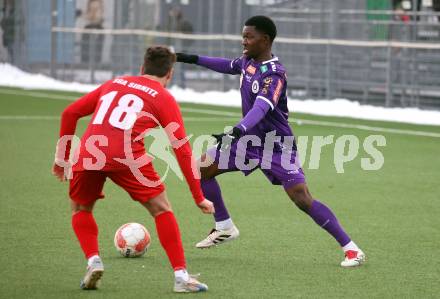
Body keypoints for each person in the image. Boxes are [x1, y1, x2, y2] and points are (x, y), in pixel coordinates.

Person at [176, 16, 365, 267]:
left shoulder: (274, 74)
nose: (244, 41)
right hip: (248, 141)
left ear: (264, 40)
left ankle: (351, 249)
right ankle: (224, 226)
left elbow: (262, 107)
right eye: (243, 36)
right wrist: (190, 58)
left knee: (302, 198)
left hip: (276, 145)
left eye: (249, 37)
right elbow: (226, 65)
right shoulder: (247, 62)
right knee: (202, 167)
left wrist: (238, 129)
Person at [52, 46, 214, 292]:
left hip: (90, 152)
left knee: (80, 207)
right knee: (161, 209)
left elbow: (69, 113)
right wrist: (198, 197)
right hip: (127, 156)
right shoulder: (163, 97)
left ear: (141, 68)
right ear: (169, 74)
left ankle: (93, 261)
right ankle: (181, 277)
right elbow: (181, 149)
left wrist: (62, 160)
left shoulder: (114, 83)